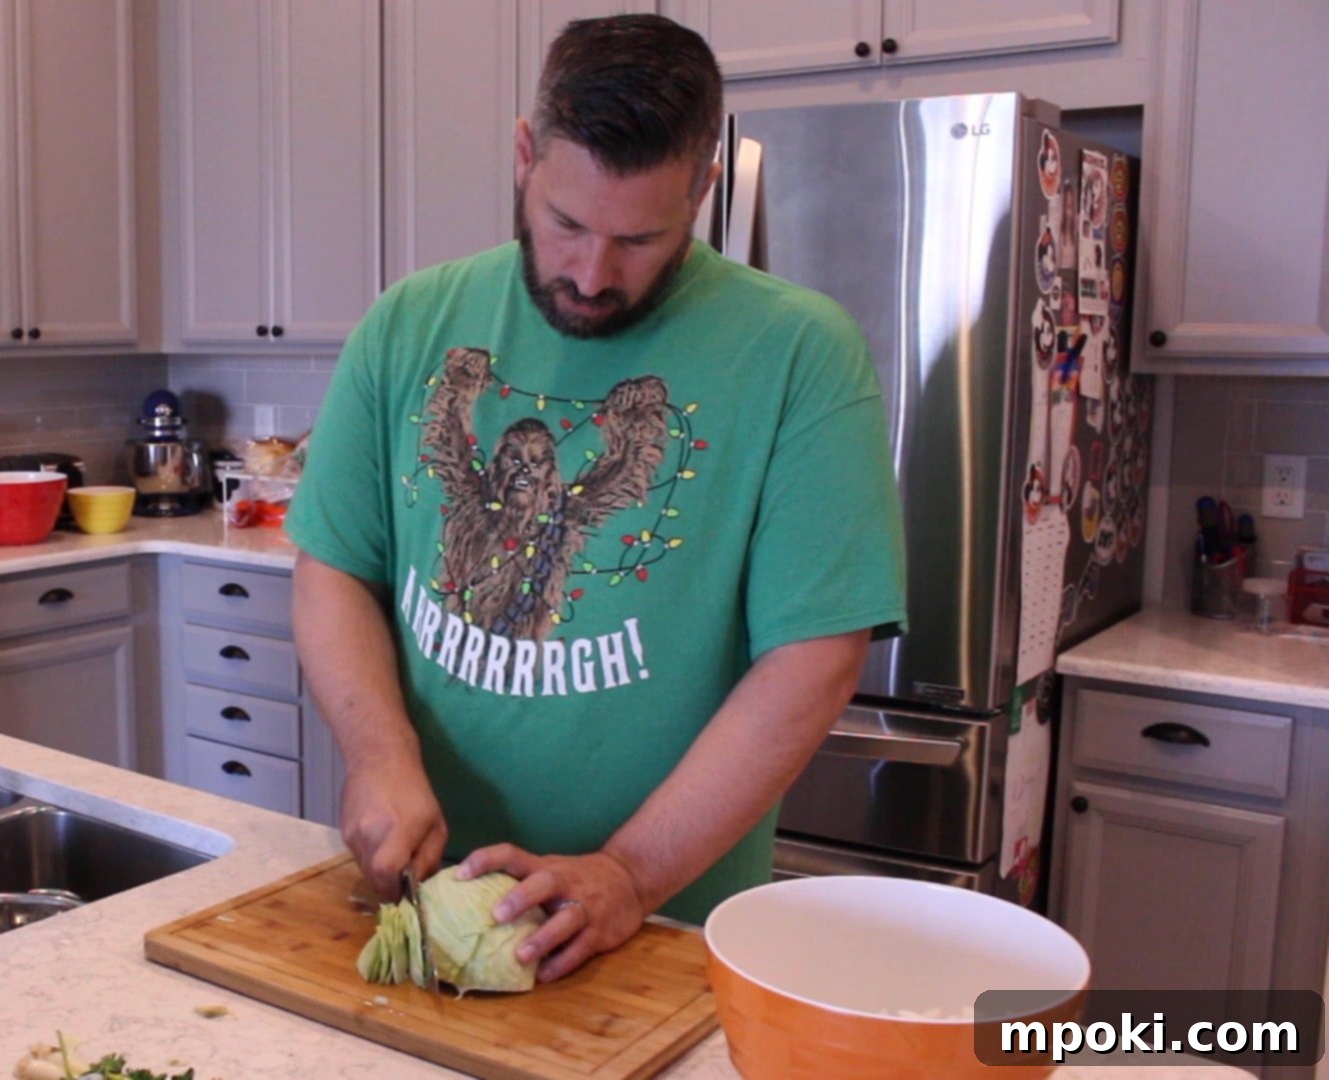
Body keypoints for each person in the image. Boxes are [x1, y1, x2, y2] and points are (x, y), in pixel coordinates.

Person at [285, 15, 906, 984]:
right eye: (567, 223)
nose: (590, 274)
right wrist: (376, 751)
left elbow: (816, 657)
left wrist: (630, 873)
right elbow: (335, 571)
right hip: (415, 906)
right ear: (526, 155)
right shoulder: (409, 326)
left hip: (662, 934)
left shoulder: (799, 355)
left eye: (640, 239)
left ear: (703, 188)